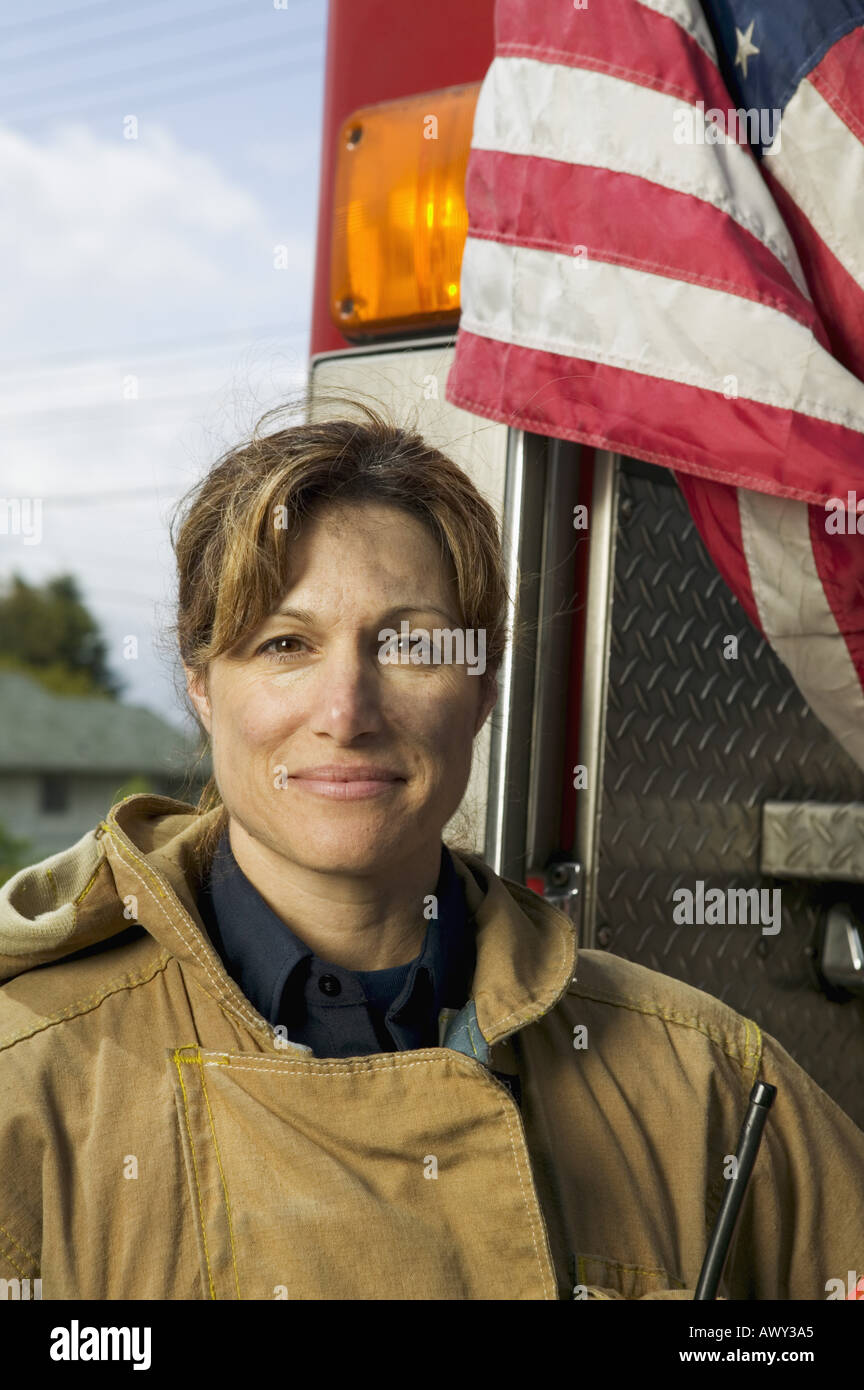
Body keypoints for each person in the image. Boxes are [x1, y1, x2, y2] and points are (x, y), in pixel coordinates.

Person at [0, 398, 862, 1301]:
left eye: (409, 644)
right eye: (286, 644)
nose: (346, 712)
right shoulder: (35, 1083)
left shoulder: (708, 1081)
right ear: (203, 685)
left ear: (483, 686)